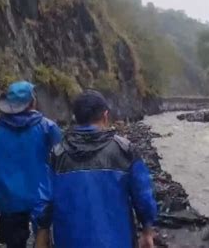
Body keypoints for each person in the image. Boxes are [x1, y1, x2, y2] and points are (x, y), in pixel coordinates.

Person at [32, 89, 157, 248]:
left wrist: (42, 235)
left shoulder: (57, 154)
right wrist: (147, 231)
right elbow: (143, 198)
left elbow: (43, 201)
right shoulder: (125, 151)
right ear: (105, 116)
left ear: (75, 118)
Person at [0, 81, 62, 248]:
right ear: (32, 102)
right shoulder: (48, 128)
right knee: (44, 240)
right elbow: (60, 163)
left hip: (8, 199)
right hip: (43, 198)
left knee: (13, 243)